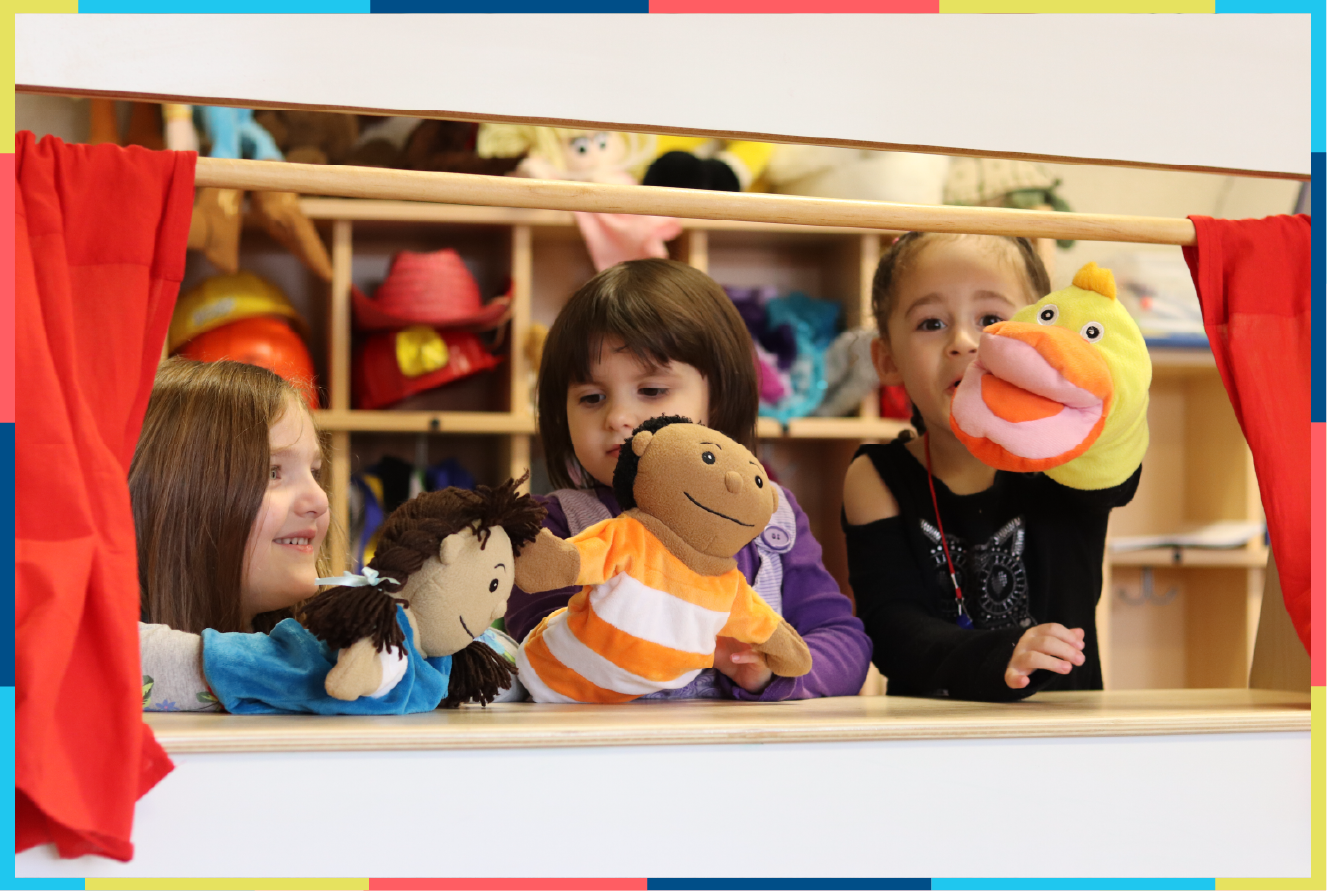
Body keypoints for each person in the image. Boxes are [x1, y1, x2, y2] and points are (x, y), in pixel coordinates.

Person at [505, 258, 872, 701]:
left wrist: (772, 675)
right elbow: (542, 657)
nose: (618, 417)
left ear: (716, 398)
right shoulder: (557, 527)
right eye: (592, 397)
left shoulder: (775, 518)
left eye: (652, 391)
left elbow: (843, 641)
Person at [841, 233, 1141, 702]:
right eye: (931, 322)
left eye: (992, 319)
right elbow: (891, 629)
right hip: (929, 743)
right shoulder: (876, 475)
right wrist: (1000, 655)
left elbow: (1116, 478)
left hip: (1066, 733)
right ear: (888, 360)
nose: (963, 342)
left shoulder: (1071, 455)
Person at [134, 358, 332, 710]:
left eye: (315, 471)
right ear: (184, 500)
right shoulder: (88, 655)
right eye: (273, 472)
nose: (319, 498)